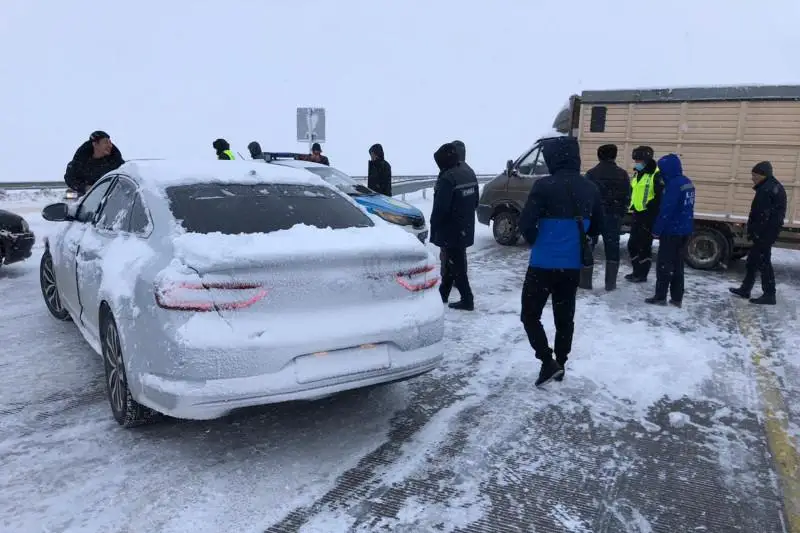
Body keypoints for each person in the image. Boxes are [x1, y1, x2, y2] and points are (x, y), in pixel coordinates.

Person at [518, 136, 604, 386]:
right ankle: (561, 363)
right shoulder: (591, 187)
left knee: (530, 315)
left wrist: (541, 240)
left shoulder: (543, 186)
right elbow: (597, 225)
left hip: (542, 265)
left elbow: (525, 224)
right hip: (571, 266)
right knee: (564, 317)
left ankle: (547, 361)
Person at [730, 161, 787, 305]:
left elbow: (762, 215)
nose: (752, 178)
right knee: (752, 262)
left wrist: (756, 233)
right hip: (766, 233)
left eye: (755, 175)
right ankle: (745, 289)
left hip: (764, 235)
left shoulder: (767, 190)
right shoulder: (772, 186)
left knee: (763, 263)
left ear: (763, 175)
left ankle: (769, 294)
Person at [431, 142, 479, 311]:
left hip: (450, 229)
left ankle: (467, 299)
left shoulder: (447, 178)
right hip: (465, 226)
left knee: (456, 266)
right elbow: (476, 201)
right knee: (453, 262)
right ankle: (443, 293)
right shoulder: (468, 172)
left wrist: (434, 226)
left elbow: (440, 209)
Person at [645, 154, 695, 307]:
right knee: (678, 265)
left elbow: (666, 210)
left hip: (671, 231)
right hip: (685, 230)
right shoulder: (687, 182)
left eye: (662, 169)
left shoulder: (673, 185)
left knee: (664, 265)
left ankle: (660, 297)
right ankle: (677, 297)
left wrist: (656, 230)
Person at [585, 143, 631, 291]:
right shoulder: (622, 174)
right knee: (612, 249)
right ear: (614, 156)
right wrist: (620, 213)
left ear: (599, 156)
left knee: (588, 247)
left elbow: (586, 197)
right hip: (613, 217)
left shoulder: (591, 174)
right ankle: (610, 284)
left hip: (594, 217)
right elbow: (627, 197)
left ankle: (585, 282)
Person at [625, 146, 663, 282]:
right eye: (635, 160)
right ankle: (636, 271)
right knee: (632, 245)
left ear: (646, 160)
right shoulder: (638, 173)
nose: (636, 163)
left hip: (648, 216)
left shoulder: (656, 174)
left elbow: (660, 196)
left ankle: (642, 274)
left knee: (644, 247)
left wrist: (651, 207)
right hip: (637, 214)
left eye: (639, 160)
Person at [63, 131, 124, 195]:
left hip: (110, 198)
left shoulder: (116, 161)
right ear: (95, 144)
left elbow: (124, 178)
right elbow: (69, 178)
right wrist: (85, 188)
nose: (110, 146)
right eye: (106, 142)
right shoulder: (80, 160)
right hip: (86, 199)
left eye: (110, 142)